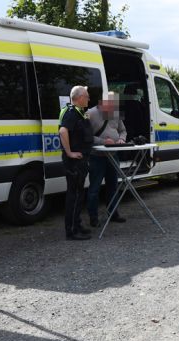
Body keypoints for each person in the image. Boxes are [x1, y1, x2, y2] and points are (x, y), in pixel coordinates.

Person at [86, 92, 127, 227]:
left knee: (113, 186)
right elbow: (85, 137)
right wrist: (103, 141)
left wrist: (121, 139)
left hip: (113, 156)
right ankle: (93, 217)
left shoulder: (116, 112)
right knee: (94, 188)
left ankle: (113, 213)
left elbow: (123, 130)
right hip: (97, 157)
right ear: (101, 103)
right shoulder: (90, 114)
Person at [59, 86, 94, 240]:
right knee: (74, 195)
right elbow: (63, 131)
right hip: (74, 162)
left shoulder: (79, 112)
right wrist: (69, 152)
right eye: (86, 96)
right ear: (79, 97)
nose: (88, 99)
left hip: (80, 161)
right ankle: (72, 231)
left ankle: (77, 224)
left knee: (79, 194)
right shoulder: (71, 113)